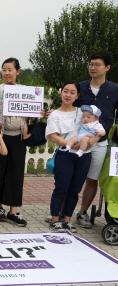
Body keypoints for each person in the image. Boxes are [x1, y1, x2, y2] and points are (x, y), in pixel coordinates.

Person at [0, 57, 42, 227]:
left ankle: (13, 212)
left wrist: (38, 112)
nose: (6, 73)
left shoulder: (26, 91)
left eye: (10, 70)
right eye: (4, 69)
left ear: (18, 72)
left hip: (19, 138)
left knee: (16, 174)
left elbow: (34, 113)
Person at [73, 50, 118, 228]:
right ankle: (61, 212)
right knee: (71, 177)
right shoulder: (80, 87)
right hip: (77, 141)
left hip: (100, 143)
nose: (93, 67)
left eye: (97, 64)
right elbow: (69, 109)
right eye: (91, 64)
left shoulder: (114, 90)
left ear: (107, 67)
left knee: (92, 179)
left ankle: (82, 213)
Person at [46, 81, 92, 232]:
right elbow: (52, 136)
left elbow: (93, 129)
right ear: (61, 92)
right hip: (65, 155)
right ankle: (54, 220)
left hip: (83, 156)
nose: (68, 95)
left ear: (77, 96)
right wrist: (69, 144)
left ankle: (67, 220)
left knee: (75, 189)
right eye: (66, 91)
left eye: (72, 92)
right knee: (61, 188)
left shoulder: (83, 113)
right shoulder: (54, 114)